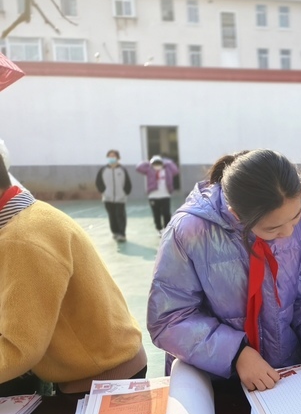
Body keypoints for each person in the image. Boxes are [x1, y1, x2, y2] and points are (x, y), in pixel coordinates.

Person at [147, 150, 301, 392]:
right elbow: (168, 319)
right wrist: (236, 353)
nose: (288, 233)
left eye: (294, 219)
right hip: (215, 380)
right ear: (236, 214)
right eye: (272, 228)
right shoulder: (190, 232)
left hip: (282, 376)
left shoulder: (297, 218)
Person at [0, 154, 147, 396]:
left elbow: (19, 350)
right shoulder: (30, 213)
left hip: (101, 377)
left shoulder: (20, 241)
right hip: (109, 361)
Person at [136, 154, 180, 235]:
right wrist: (148, 162)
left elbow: (176, 170)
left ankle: (167, 229)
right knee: (156, 214)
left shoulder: (167, 170)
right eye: (155, 164)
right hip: (153, 196)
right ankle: (159, 229)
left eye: (158, 163)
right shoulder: (149, 170)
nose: (157, 165)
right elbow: (139, 168)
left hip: (165, 195)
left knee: (166, 213)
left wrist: (167, 161)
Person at [96, 149, 131, 242]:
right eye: (110, 156)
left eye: (113, 156)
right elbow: (98, 182)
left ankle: (122, 234)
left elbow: (128, 183)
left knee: (120, 215)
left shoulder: (122, 170)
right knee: (112, 215)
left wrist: (124, 193)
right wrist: (103, 191)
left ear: (118, 158)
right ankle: (115, 232)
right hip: (107, 198)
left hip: (120, 198)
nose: (111, 158)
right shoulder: (103, 170)